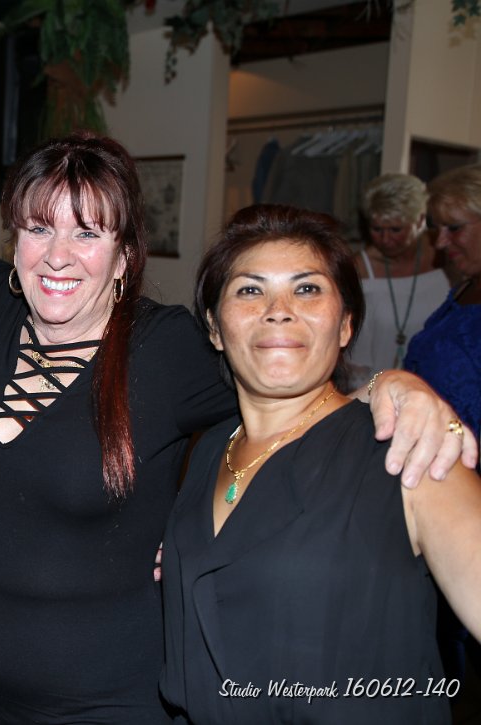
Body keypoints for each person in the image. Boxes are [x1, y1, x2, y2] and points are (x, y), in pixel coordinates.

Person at [0, 134, 475, 722]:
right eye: (39, 228)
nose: (59, 256)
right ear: (13, 240)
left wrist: (394, 386)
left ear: (125, 254)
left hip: (111, 700)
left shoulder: (166, 348)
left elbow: (286, 377)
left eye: (88, 233)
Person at [160, 203, 481, 724]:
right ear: (215, 329)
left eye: (307, 288)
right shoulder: (210, 448)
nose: (279, 309)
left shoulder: (407, 451)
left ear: (346, 323)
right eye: (249, 290)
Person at [404, 163, 481, 697]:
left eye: (455, 228)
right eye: (436, 228)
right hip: (436, 477)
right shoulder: (467, 285)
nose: (442, 242)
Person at [345, 173, 449, 389]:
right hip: (376, 387)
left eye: (395, 229)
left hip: (441, 383)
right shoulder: (359, 268)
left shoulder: (446, 253)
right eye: (377, 229)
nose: (385, 239)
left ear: (420, 220)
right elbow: (356, 354)